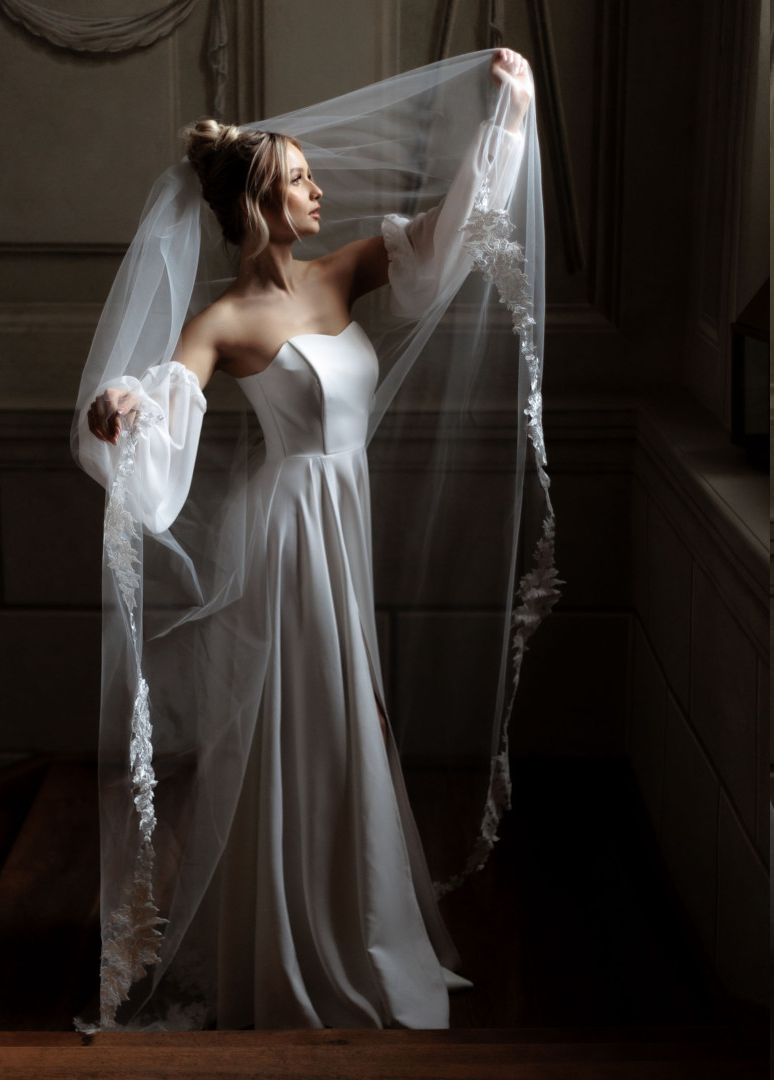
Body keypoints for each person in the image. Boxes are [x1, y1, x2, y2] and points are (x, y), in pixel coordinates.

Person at [75, 48, 549, 1032]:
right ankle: (283, 943)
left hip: (344, 523)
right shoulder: (223, 319)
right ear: (257, 204)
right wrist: (119, 407)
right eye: (297, 179)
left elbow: (449, 236)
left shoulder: (347, 270)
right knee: (307, 725)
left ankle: (357, 924)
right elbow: (161, 399)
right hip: (287, 538)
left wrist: (507, 122)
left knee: (351, 723)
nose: (316, 188)